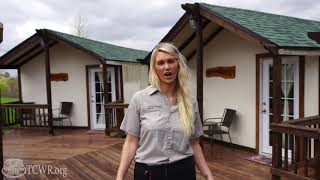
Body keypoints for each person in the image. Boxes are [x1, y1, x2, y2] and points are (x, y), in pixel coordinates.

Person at [116, 42, 214, 180]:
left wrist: (208, 175)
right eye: (160, 63)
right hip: (149, 173)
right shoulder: (140, 99)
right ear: (154, 68)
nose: (166, 67)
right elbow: (131, 142)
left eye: (171, 61)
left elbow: (194, 143)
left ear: (178, 64)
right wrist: (120, 177)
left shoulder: (190, 102)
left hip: (183, 172)